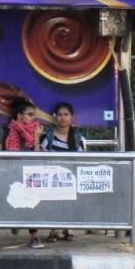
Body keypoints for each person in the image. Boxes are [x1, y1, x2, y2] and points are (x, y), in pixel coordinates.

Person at [41, 101, 85, 242]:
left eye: (66, 114)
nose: (62, 118)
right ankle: (53, 229)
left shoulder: (79, 139)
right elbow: (42, 160)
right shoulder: (48, 137)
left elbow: (82, 161)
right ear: (55, 117)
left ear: (72, 117)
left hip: (71, 178)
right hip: (51, 179)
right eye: (59, 115)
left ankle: (68, 228)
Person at [4, 97, 46, 248]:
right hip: (10, 172)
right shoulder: (7, 130)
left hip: (28, 172)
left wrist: (36, 139)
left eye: (34, 115)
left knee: (31, 200)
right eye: (30, 114)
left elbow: (37, 156)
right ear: (20, 115)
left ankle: (34, 236)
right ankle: (16, 220)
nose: (33, 118)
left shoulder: (36, 131)